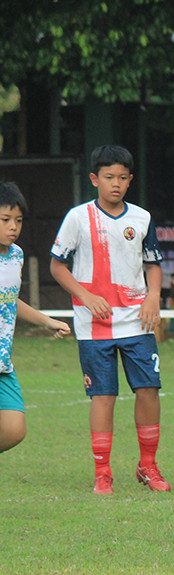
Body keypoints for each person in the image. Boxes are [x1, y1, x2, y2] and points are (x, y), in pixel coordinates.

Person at [49, 145, 170, 494]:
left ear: (130, 181)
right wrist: (85, 296)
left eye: (121, 178)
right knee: (104, 396)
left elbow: (153, 263)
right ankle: (103, 473)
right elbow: (58, 265)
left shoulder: (142, 218)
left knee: (149, 390)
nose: (115, 184)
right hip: (94, 325)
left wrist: (153, 296)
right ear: (94, 179)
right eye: (108, 177)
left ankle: (148, 465)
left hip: (136, 321)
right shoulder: (77, 217)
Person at [0, 182, 72, 453]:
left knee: (14, 430)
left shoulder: (15, 256)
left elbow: (9, 301)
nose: (13, 227)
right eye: (5, 220)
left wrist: (47, 321)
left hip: (3, 361)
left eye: (18, 220)